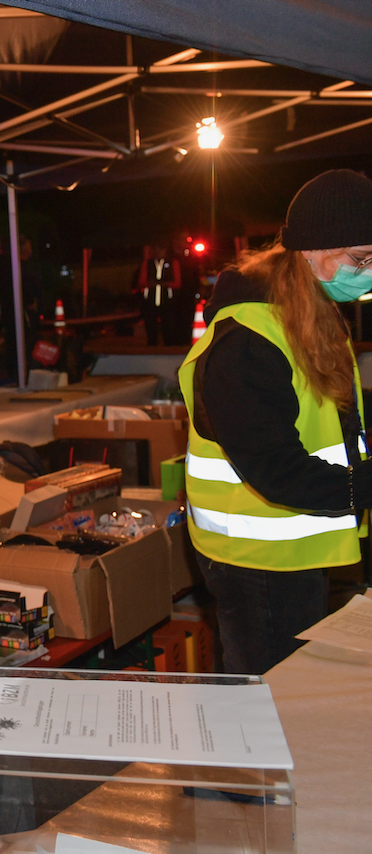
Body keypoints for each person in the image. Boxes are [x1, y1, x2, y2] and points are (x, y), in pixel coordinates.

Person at [179, 168, 372, 675]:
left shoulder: (312, 312)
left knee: (298, 700)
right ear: (312, 250)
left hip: (296, 546)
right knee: (270, 709)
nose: (369, 271)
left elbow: (331, 421)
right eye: (362, 259)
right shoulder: (246, 341)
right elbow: (277, 470)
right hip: (256, 562)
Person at [0, 234, 40, 382]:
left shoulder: (13, 265)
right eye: (28, 247)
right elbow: (17, 289)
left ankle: (19, 373)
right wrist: (28, 303)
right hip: (19, 313)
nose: (31, 250)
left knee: (18, 344)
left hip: (16, 313)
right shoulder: (12, 267)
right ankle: (20, 374)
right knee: (20, 344)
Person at [133, 242, 182, 346]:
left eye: (159, 249)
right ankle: (152, 348)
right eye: (155, 249)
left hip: (167, 301)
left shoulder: (172, 263)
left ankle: (169, 349)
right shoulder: (147, 263)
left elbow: (177, 283)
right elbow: (141, 282)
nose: (157, 252)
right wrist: (150, 284)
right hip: (150, 301)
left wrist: (164, 284)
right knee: (151, 328)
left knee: (168, 328)